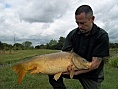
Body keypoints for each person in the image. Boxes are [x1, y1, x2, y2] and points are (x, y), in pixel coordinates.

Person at [48, 5, 109, 89]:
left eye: (82, 23)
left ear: (92, 19)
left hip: (91, 73)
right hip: (74, 67)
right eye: (77, 23)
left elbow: (95, 65)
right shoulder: (73, 34)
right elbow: (64, 54)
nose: (80, 26)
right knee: (52, 71)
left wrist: (76, 73)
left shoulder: (102, 36)